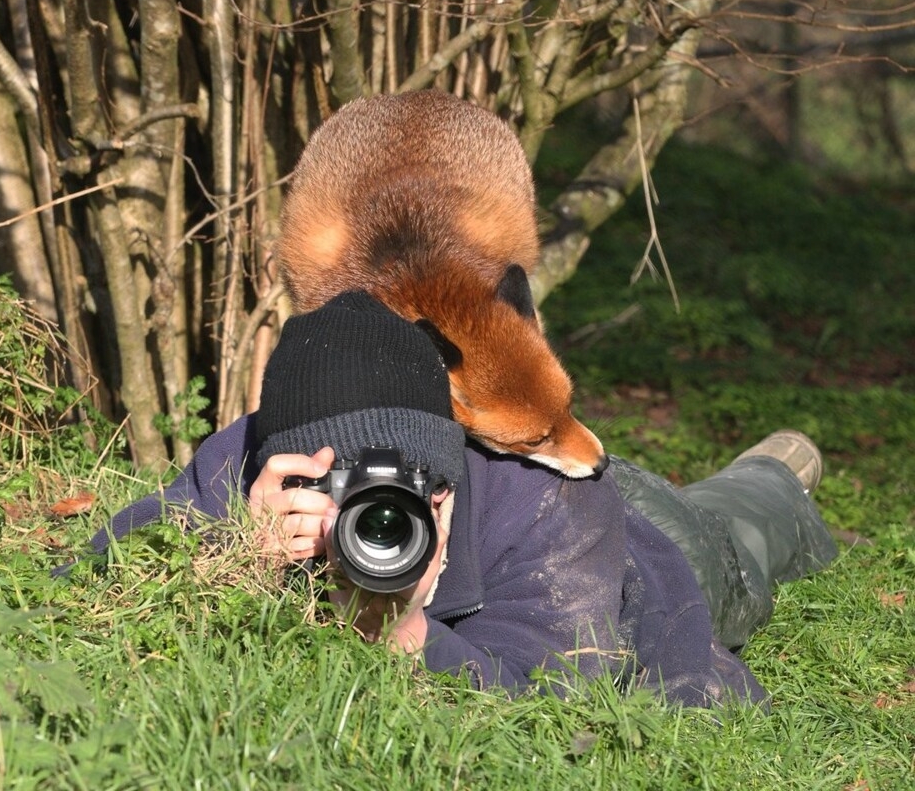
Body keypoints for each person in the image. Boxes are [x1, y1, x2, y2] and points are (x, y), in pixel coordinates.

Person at [66, 291, 838, 707]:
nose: (377, 514)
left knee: (731, 535)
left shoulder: (547, 509)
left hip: (637, 546)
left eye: (409, 491)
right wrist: (231, 551)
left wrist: (405, 635)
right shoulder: (251, 463)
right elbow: (99, 579)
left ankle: (773, 471)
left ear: (448, 477)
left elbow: (550, 698)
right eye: (336, 492)